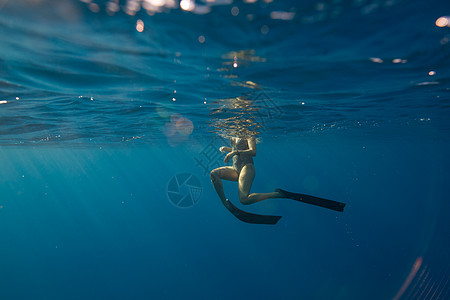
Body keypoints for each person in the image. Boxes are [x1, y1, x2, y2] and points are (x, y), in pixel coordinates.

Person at [210, 136, 346, 225]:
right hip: (236, 168)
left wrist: (234, 152)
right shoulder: (233, 134)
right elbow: (237, 149)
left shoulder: (249, 133)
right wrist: (228, 149)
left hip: (247, 167)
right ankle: (224, 203)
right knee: (214, 174)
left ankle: (278, 194)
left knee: (244, 200)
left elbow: (253, 151)